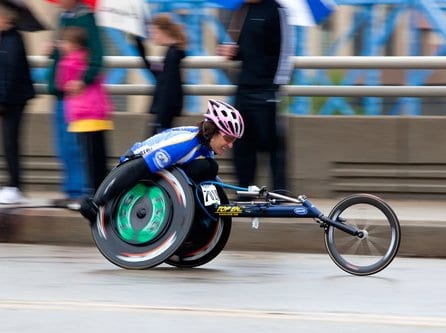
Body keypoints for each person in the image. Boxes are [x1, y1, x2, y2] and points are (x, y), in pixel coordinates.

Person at [80, 99, 244, 221]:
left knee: (209, 169)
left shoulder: (204, 146)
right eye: (228, 138)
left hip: (155, 170)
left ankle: (200, 216)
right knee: (208, 167)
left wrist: (217, 209)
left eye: (234, 141)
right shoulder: (184, 144)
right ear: (213, 131)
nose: (230, 145)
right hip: (134, 164)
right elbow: (137, 168)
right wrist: (98, 201)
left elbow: (209, 182)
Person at [217, 0, 294, 192]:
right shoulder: (243, 10)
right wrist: (233, 52)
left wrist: (274, 87)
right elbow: (247, 49)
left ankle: (279, 194)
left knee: (272, 146)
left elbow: (286, 52)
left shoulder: (277, 10)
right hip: (243, 89)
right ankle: (245, 192)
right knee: (240, 145)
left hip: (266, 91)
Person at [46, 0, 104, 210]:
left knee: (76, 145)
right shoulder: (63, 18)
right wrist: (53, 50)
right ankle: (70, 190)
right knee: (63, 146)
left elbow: (96, 57)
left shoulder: (86, 18)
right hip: (61, 92)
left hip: (78, 96)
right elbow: (65, 51)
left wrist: (84, 79)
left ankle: (81, 192)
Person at [55, 26, 114, 195]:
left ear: (74, 44)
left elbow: (61, 84)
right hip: (99, 113)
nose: (62, 46)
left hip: (83, 116)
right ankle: (103, 190)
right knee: (100, 156)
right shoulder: (90, 62)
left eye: (64, 42)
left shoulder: (67, 63)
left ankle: (93, 193)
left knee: (87, 158)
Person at [0, 4, 36, 204]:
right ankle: (11, 184)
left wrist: (3, 100)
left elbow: (10, 74)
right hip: (8, 99)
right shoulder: (5, 39)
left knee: (11, 143)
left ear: (6, 19)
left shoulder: (14, 39)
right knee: (8, 143)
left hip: (13, 100)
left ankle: (15, 185)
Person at [136, 14, 188, 135]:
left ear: (163, 32)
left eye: (154, 32)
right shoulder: (172, 53)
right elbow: (158, 74)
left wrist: (161, 120)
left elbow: (169, 88)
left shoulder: (173, 55)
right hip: (164, 112)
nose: (153, 36)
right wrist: (140, 47)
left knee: (152, 148)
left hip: (164, 113)